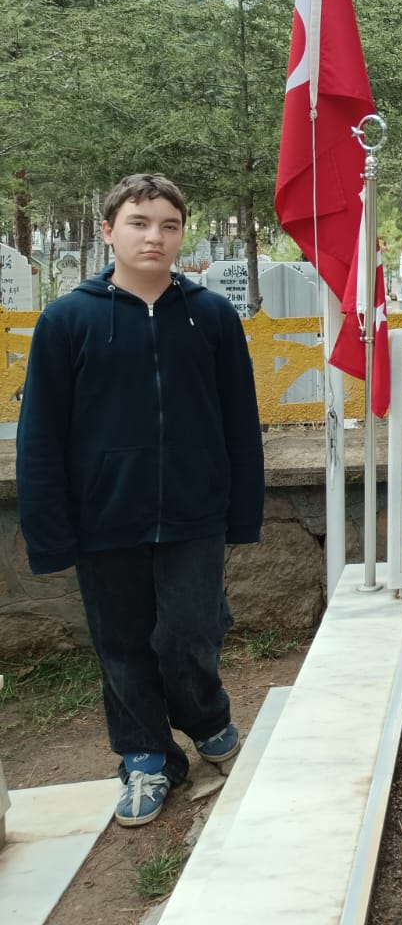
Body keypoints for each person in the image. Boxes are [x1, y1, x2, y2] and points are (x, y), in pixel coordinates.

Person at [17, 174, 264, 827]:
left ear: (181, 234)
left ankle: (206, 716)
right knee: (122, 643)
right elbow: (41, 433)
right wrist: (50, 532)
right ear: (108, 231)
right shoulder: (68, 320)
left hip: (194, 511)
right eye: (139, 222)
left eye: (168, 225)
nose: (154, 236)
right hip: (105, 516)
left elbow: (240, 421)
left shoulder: (211, 316)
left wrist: (243, 511)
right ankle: (146, 756)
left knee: (191, 632)